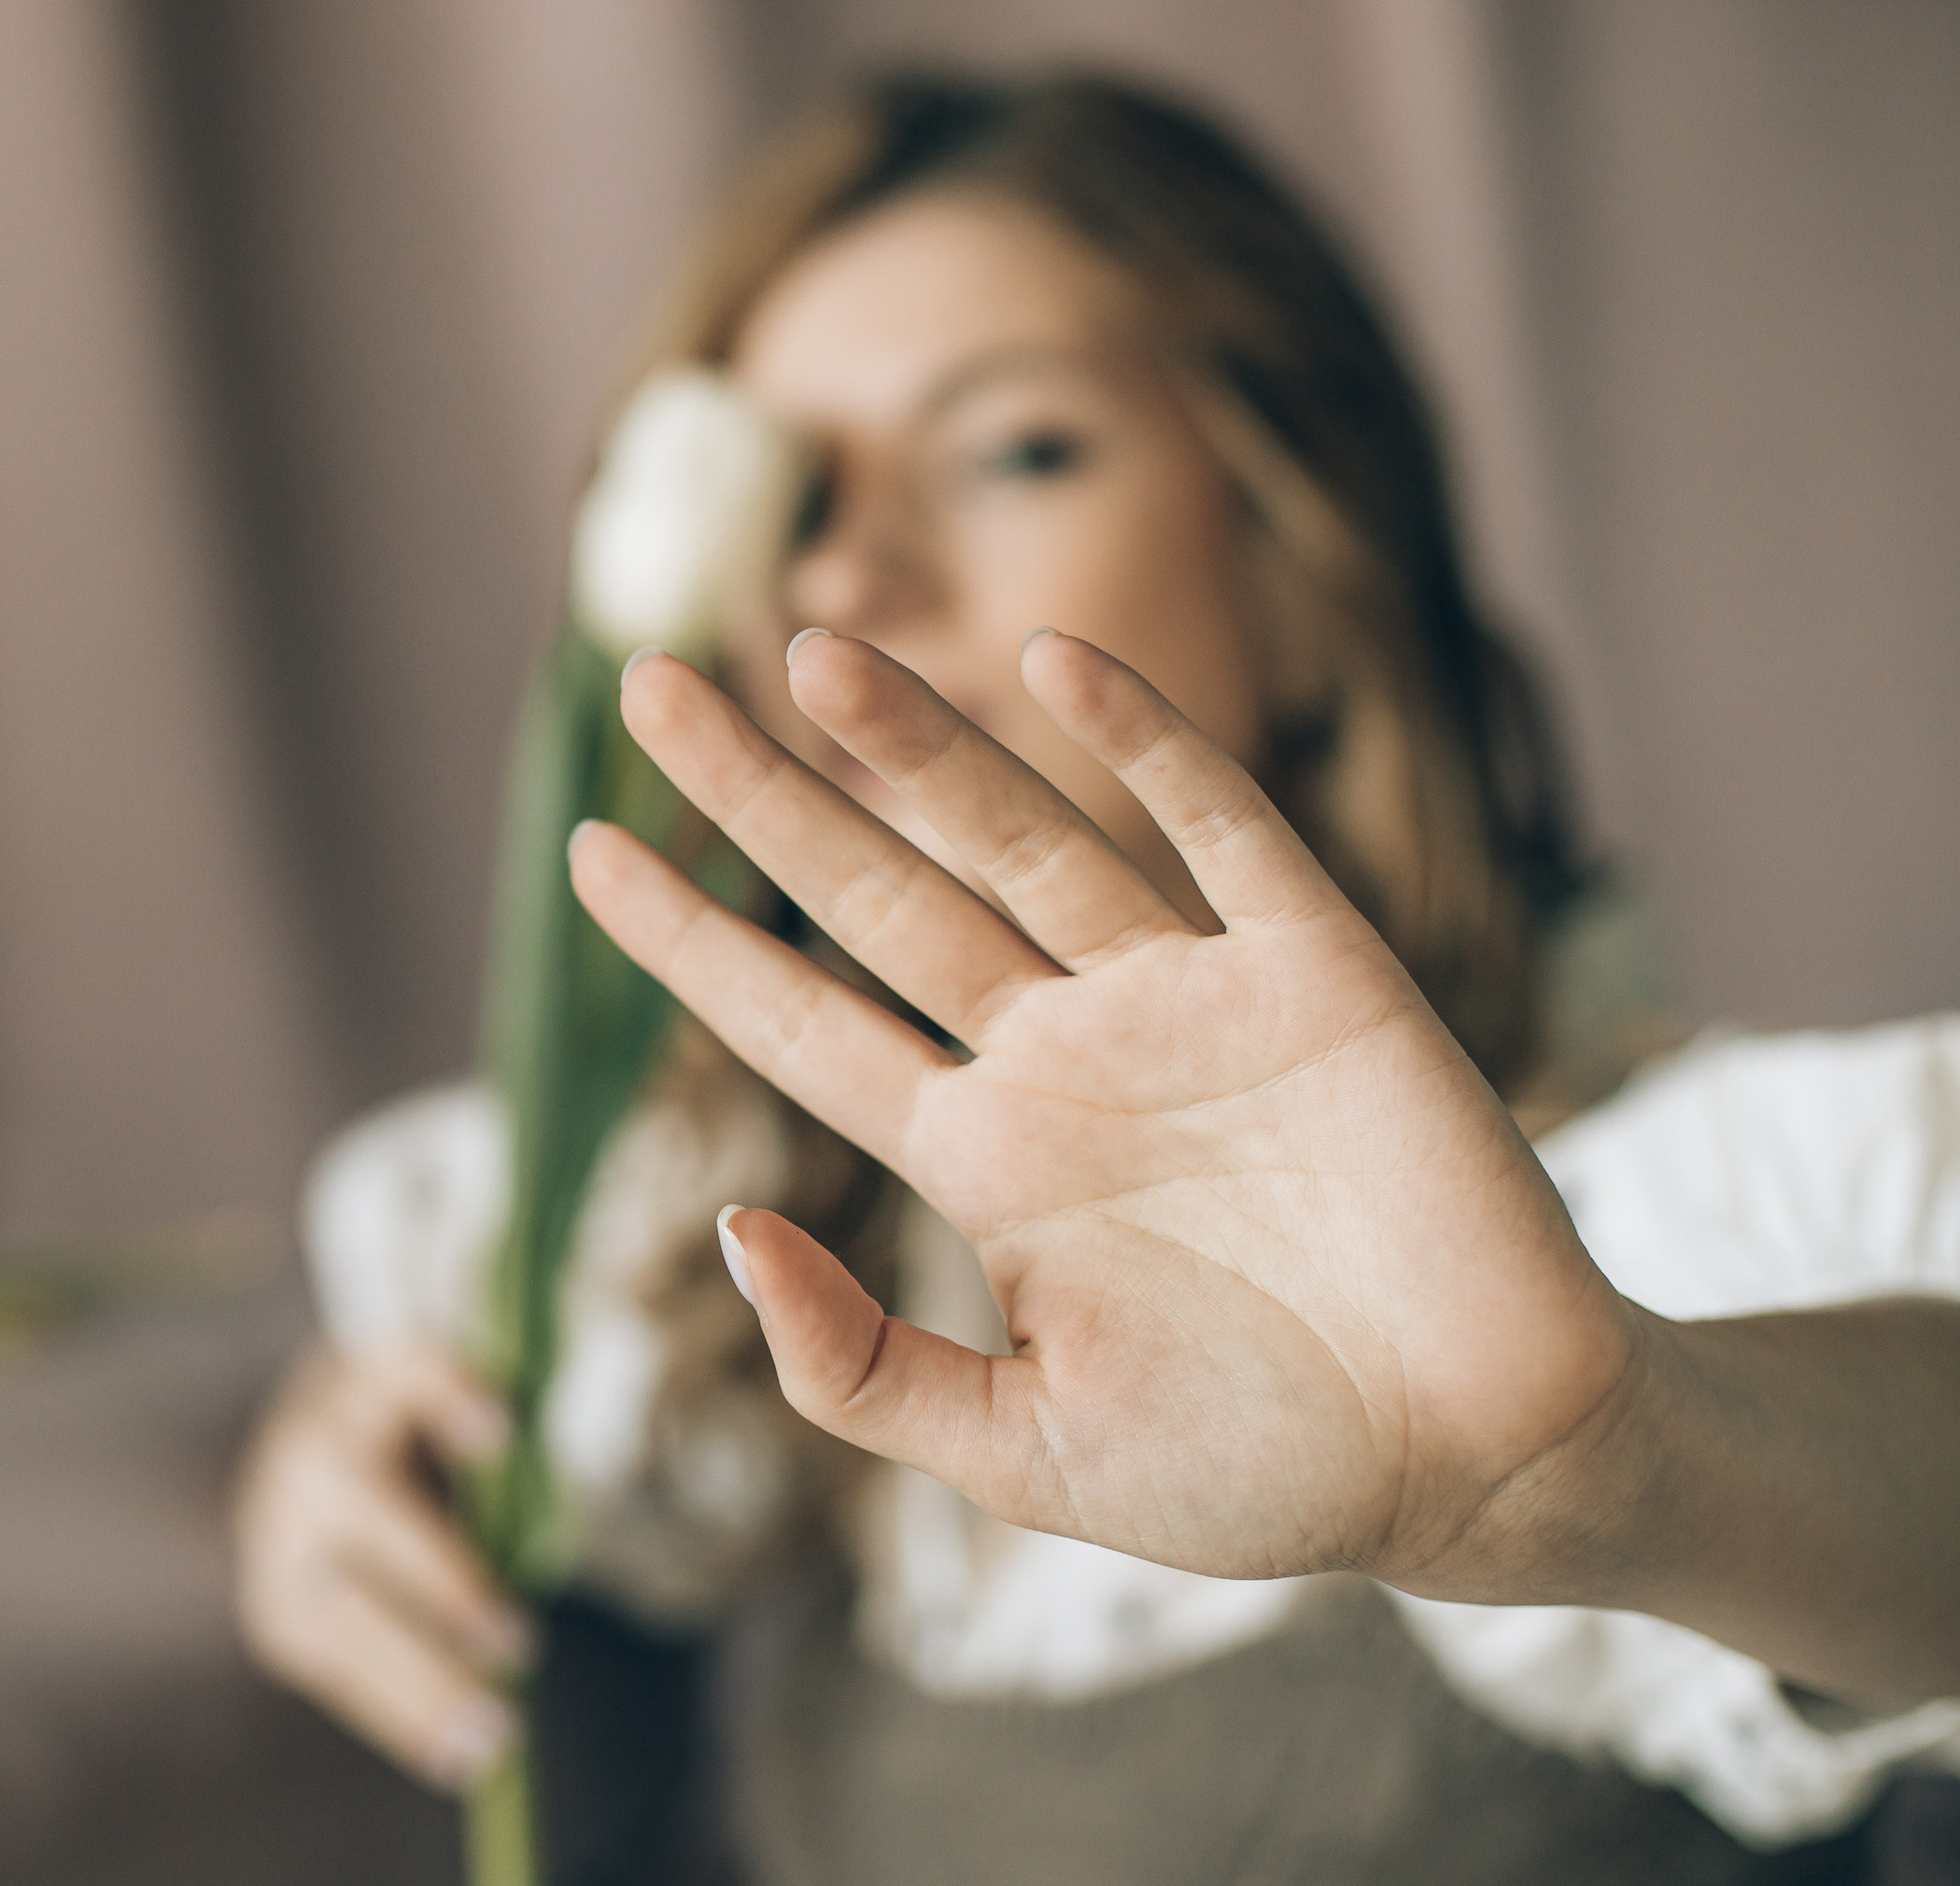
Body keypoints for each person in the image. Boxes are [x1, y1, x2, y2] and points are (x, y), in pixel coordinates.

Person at [234, 72, 1960, 1884]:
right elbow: (476, 1369)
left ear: (1302, 563)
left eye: (1014, 448)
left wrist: (1625, 1445)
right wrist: (340, 1451)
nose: (852, 565)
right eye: (792, 492)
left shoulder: (1688, 1198)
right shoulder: (746, 1279)